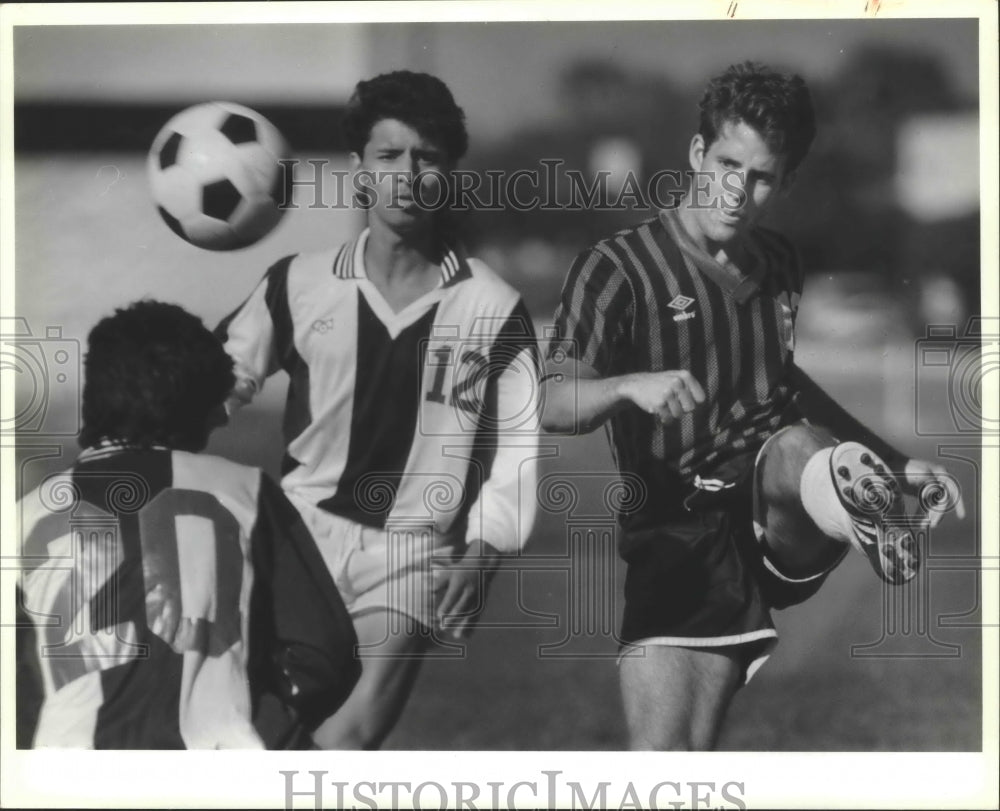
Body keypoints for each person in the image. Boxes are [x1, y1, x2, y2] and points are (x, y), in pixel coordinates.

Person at [541, 61, 965, 751]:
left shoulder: (778, 264)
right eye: (728, 163)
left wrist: (895, 461)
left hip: (773, 510)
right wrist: (628, 385)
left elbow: (783, 381)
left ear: (786, 181)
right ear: (696, 153)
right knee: (671, 761)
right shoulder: (618, 269)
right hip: (677, 529)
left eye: (763, 176)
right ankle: (847, 495)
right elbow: (554, 403)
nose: (738, 191)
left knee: (795, 444)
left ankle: (863, 506)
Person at [217, 70, 541, 749]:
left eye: (425, 157)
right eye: (389, 155)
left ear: (447, 172)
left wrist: (484, 553)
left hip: (412, 549)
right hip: (297, 537)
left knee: (353, 733)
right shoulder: (298, 283)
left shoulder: (495, 308)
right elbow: (219, 381)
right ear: (360, 169)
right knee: (250, 723)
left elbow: (516, 451)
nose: (407, 173)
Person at [17, 300, 359, 749]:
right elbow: (324, 657)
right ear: (186, 402)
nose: (221, 416)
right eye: (214, 399)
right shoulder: (248, 492)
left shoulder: (21, 516)